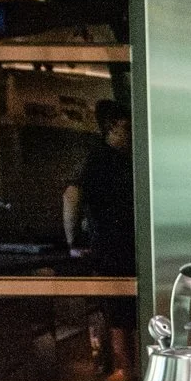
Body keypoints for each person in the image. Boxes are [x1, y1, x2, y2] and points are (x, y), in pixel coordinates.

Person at [62, 99, 136, 276]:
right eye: (127, 129)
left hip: (111, 251)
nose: (132, 135)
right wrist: (74, 242)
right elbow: (71, 196)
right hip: (112, 252)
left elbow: (72, 197)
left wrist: (74, 242)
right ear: (111, 127)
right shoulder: (99, 160)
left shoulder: (98, 158)